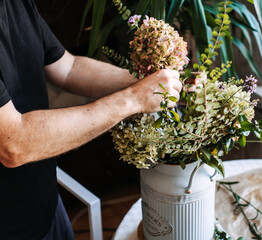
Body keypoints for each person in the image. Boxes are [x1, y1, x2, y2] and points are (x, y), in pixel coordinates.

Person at [0, 1, 181, 239]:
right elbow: (14, 144)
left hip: (46, 206)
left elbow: (68, 68)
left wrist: (151, 82)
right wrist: (134, 99)